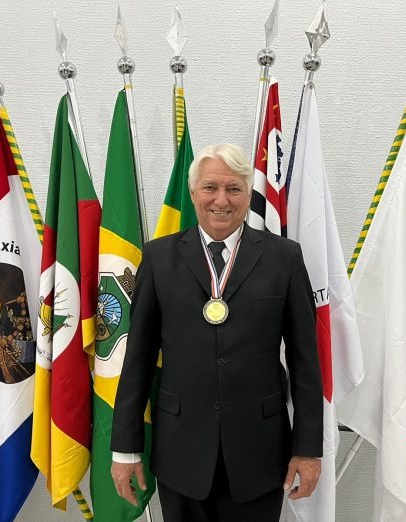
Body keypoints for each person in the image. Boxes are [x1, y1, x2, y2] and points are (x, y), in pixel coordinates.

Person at [111, 144, 323, 521]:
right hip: (180, 453)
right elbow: (137, 360)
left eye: (233, 189)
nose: (221, 200)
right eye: (210, 187)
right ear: (194, 193)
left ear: (248, 194)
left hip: (259, 453)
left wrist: (308, 449)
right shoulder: (158, 258)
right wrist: (125, 450)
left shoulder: (284, 258)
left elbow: (305, 361)